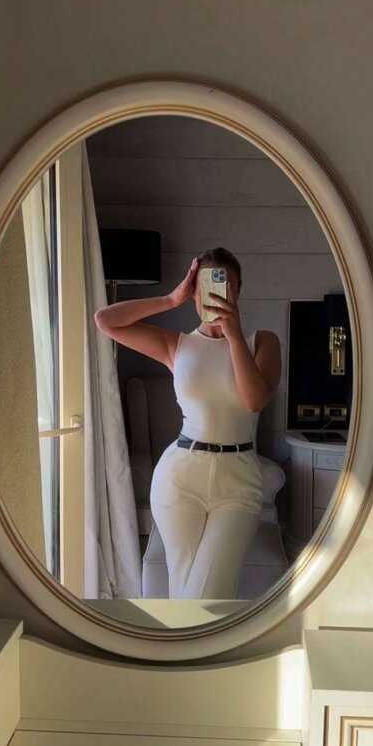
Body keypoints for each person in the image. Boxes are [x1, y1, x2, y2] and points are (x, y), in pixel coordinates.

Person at [94, 247, 281, 600]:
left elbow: (254, 400)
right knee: (183, 589)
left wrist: (233, 335)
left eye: (227, 286)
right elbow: (105, 320)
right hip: (180, 478)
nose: (217, 295)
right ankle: (186, 640)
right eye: (206, 286)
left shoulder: (262, 342)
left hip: (239, 481)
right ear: (194, 291)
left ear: (237, 292)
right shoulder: (176, 345)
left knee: (210, 593)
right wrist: (170, 299)